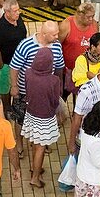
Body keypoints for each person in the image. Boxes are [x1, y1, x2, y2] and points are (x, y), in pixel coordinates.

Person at [8, 21, 65, 136]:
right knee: (20, 117)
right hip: (24, 91)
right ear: (44, 34)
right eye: (54, 35)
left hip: (45, 92)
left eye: (57, 34)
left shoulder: (57, 45)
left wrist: (59, 86)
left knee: (43, 118)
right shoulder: (26, 45)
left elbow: (59, 67)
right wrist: (14, 86)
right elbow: (14, 67)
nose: (57, 37)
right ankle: (19, 144)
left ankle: (39, 141)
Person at [21, 48, 62, 188]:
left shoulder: (28, 74)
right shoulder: (53, 80)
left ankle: (34, 167)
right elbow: (55, 100)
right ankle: (35, 177)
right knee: (41, 147)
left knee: (34, 142)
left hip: (31, 112)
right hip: (45, 117)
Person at [0, 0, 25, 118]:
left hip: (20, 62)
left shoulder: (19, 19)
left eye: (18, 10)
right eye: (15, 11)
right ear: (7, 12)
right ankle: (6, 108)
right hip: (7, 63)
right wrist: (2, 65)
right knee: (4, 88)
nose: (18, 13)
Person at [59, 2, 99, 97]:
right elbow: (57, 45)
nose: (91, 19)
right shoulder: (66, 25)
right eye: (88, 17)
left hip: (86, 72)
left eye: (92, 16)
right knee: (62, 96)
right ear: (80, 15)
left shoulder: (93, 24)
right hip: (68, 71)